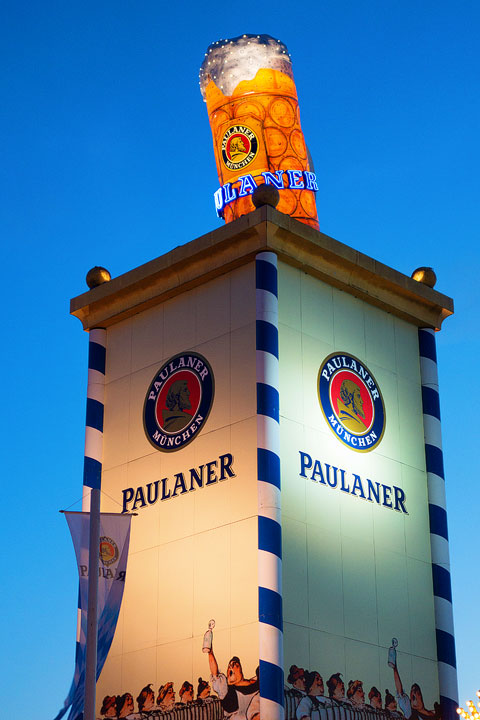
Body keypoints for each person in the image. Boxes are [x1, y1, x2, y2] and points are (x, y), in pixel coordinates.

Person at [205, 642, 259, 720]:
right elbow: (214, 673)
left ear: (240, 669)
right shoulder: (227, 692)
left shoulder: (256, 681)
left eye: (234, 664)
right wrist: (210, 653)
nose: (231, 666)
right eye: (229, 666)